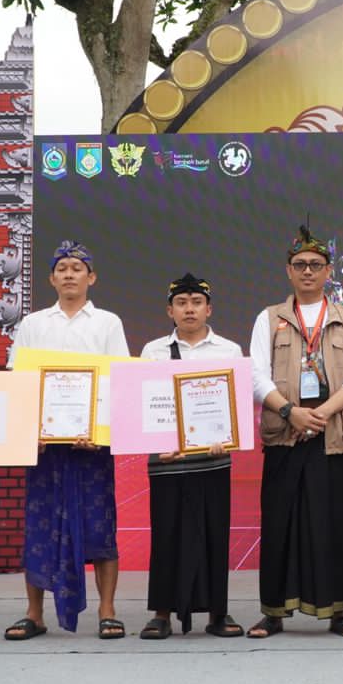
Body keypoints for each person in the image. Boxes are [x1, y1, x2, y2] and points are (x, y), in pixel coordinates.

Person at [247, 226, 343, 638]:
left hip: (332, 432)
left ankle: (339, 611)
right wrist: (290, 411)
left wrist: (317, 413)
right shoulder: (269, 319)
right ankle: (273, 612)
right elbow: (254, 377)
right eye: (300, 265)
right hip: (285, 433)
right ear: (288, 271)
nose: (307, 272)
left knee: (335, 525)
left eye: (315, 265)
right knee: (280, 522)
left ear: (328, 272)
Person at [4, 241, 130, 641]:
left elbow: (118, 380)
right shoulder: (34, 324)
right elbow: (18, 381)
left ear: (91, 277)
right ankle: (34, 613)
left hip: (92, 447)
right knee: (40, 528)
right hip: (45, 448)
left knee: (100, 525)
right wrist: (29, 431)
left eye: (78, 268)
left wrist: (100, 432)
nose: (70, 274)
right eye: (63, 268)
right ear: (51, 279)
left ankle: (107, 611)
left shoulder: (108, 322)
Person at [137, 273, 247, 640]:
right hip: (167, 462)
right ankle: (162, 613)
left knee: (214, 533)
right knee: (166, 535)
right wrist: (157, 440)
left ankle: (219, 612)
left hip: (212, 459)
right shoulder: (152, 351)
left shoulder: (228, 351)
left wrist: (225, 437)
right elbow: (145, 405)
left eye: (196, 302)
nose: (189, 309)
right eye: (181, 303)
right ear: (170, 310)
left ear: (209, 308)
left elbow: (236, 406)